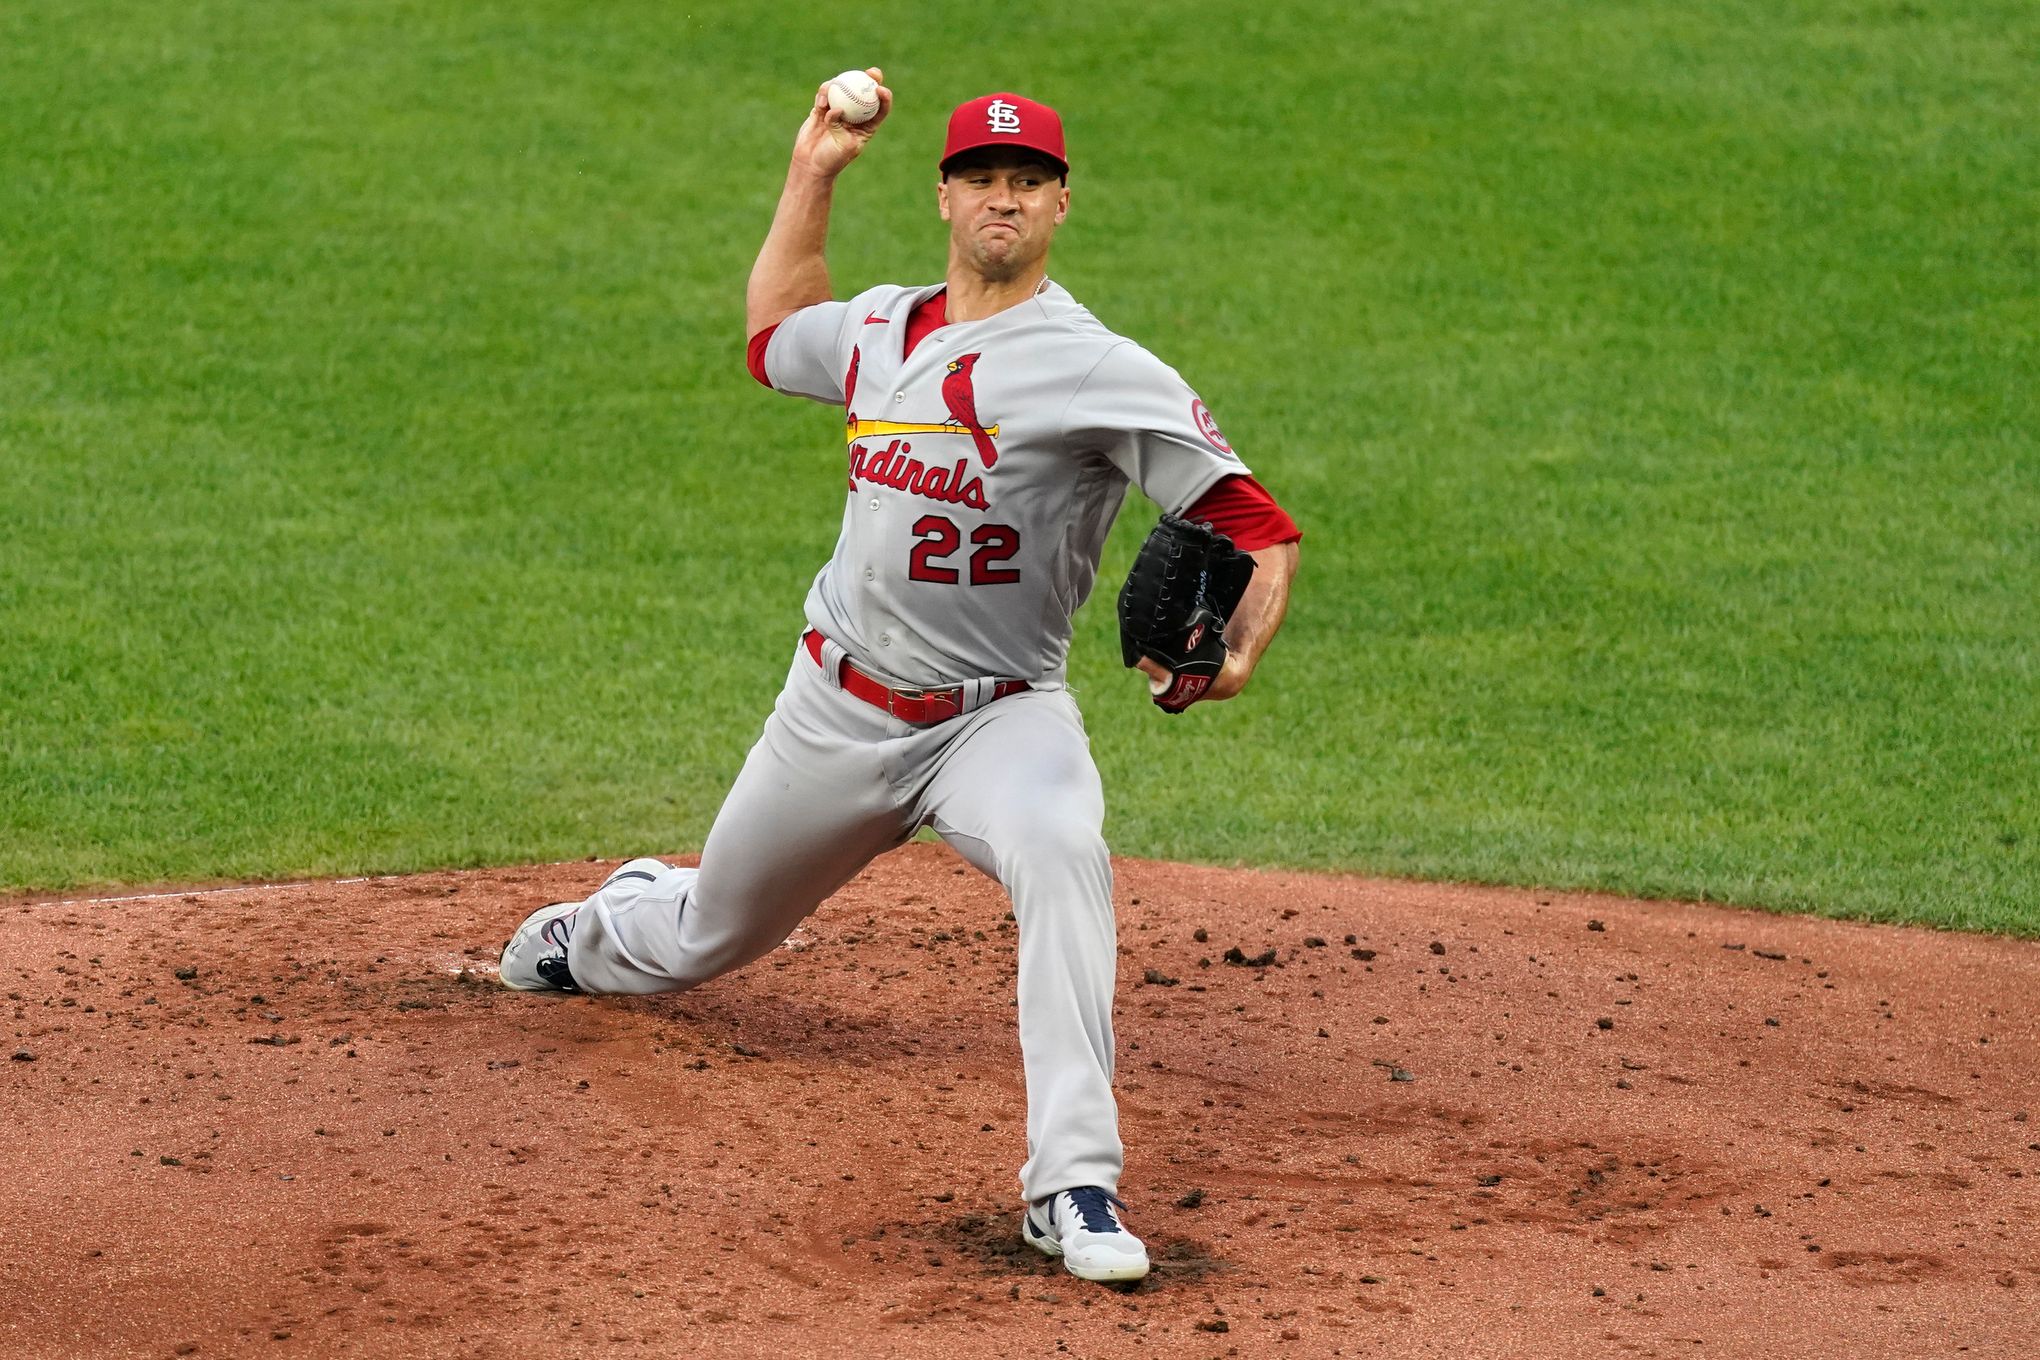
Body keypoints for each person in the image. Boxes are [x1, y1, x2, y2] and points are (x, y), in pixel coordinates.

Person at [498, 73, 1301, 1285]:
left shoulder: (1096, 366)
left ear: (1062, 204)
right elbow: (774, 339)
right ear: (944, 193)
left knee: (1064, 851)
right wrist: (813, 172)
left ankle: (1071, 1185)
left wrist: (1236, 652)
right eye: (983, 176)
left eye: (1029, 181)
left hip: (1001, 719)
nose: (1004, 198)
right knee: (705, 935)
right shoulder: (880, 327)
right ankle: (608, 917)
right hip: (838, 705)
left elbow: (1258, 524)